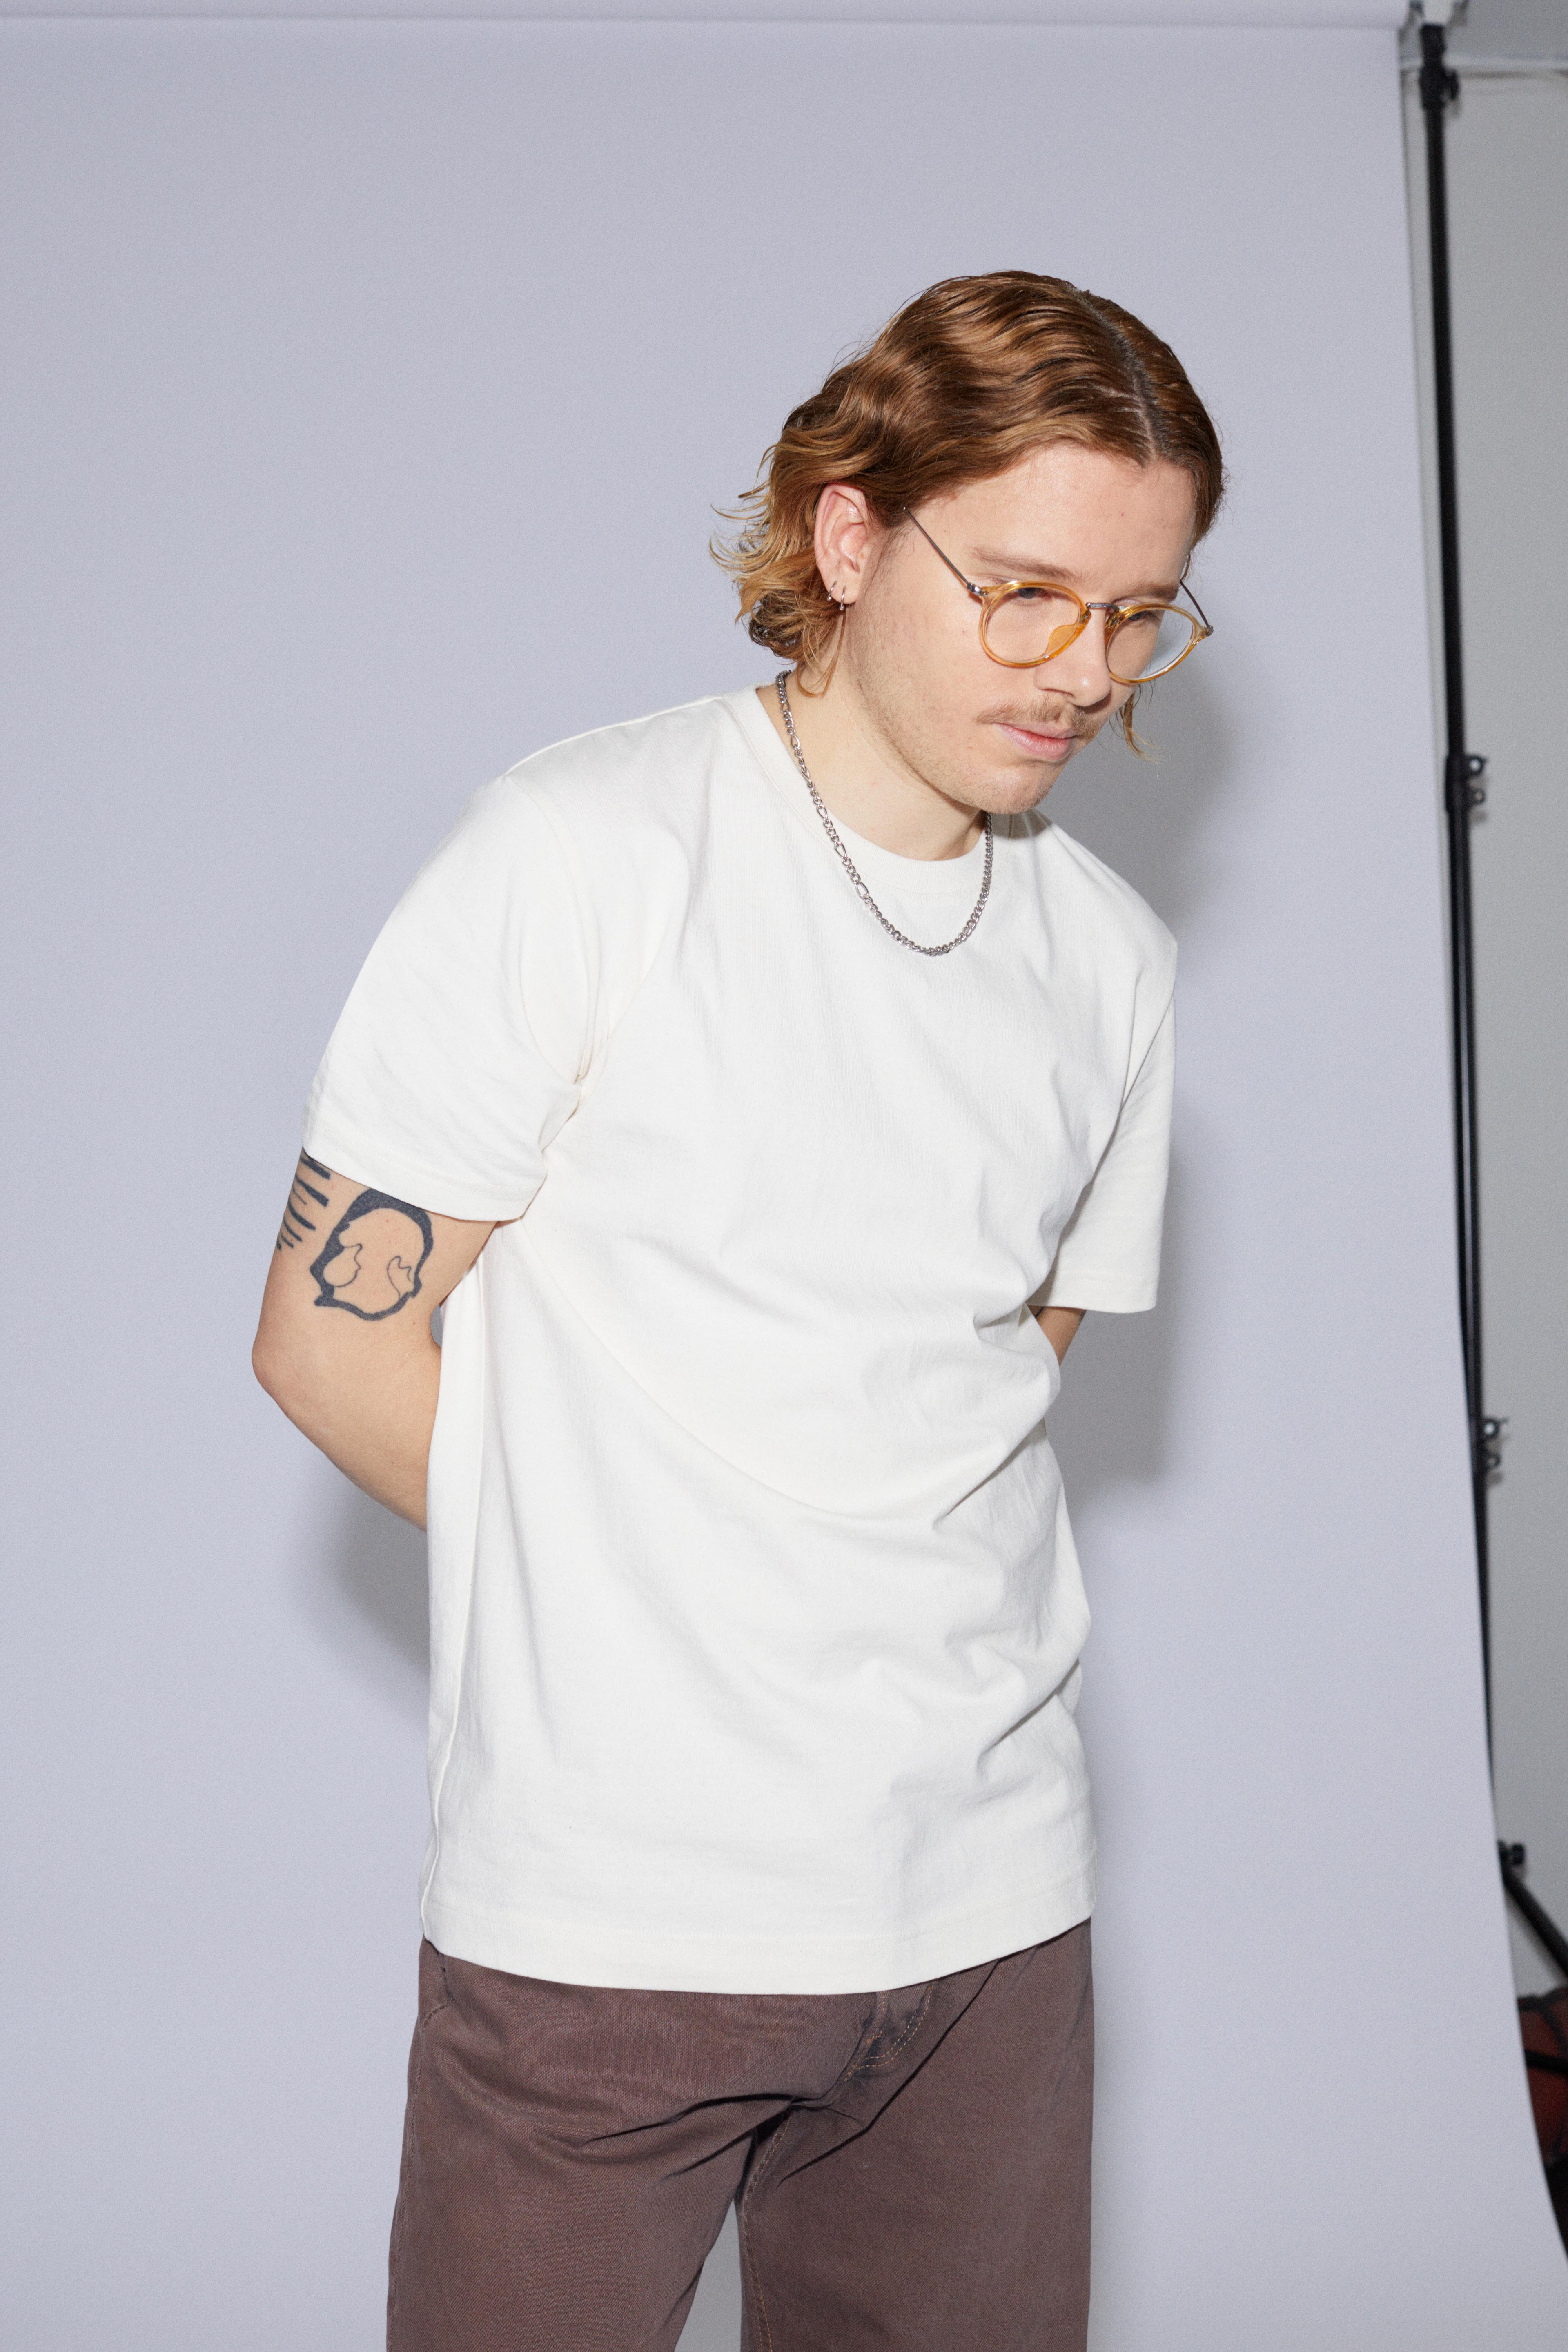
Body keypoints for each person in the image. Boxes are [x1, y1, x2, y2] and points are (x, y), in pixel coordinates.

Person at [252, 269, 1223, 2352]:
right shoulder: (583, 853)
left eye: (1142, 616)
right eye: (1027, 594)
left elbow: (986, 1383)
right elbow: (328, 1340)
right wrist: (641, 1604)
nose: (1085, 672)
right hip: (616, 1917)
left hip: (990, 1922)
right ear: (850, 533)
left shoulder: (1111, 962)